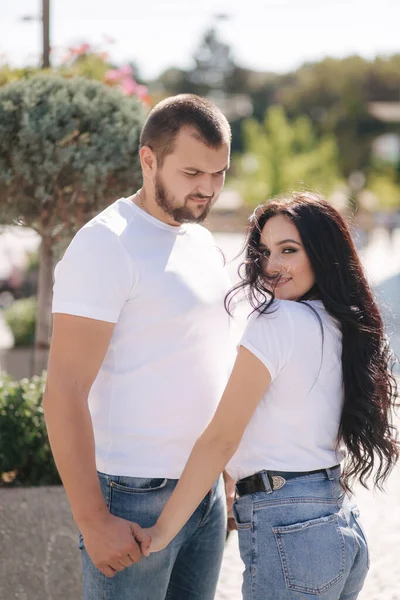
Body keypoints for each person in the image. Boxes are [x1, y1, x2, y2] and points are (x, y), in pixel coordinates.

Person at [143, 192, 399, 600]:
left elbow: (221, 438)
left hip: (291, 531)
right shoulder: (341, 325)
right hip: (338, 523)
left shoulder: (276, 321)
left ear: (322, 254)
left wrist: (160, 534)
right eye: (264, 252)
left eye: (289, 250)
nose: (271, 265)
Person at [43, 94, 236, 600]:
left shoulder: (197, 239)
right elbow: (63, 389)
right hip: (132, 498)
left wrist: (228, 473)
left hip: (204, 492)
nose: (208, 189)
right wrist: (92, 520)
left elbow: (206, 356)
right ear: (148, 159)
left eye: (218, 173)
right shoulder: (106, 244)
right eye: (193, 172)